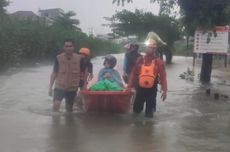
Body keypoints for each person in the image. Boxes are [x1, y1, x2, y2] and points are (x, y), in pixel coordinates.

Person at [127, 37, 167, 118]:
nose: (147, 49)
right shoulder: (140, 59)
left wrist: (164, 90)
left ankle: (148, 128)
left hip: (152, 89)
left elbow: (163, 77)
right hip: (140, 88)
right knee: (136, 111)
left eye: (149, 47)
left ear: (154, 49)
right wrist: (129, 87)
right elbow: (134, 74)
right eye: (147, 47)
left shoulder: (158, 62)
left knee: (149, 114)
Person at [48, 39, 85, 112]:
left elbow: (82, 75)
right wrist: (50, 87)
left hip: (72, 88)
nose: (68, 48)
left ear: (73, 47)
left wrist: (82, 91)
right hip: (60, 86)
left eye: (70, 46)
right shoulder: (58, 58)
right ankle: (55, 122)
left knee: (69, 109)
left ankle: (69, 122)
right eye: (66, 46)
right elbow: (54, 73)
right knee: (56, 105)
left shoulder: (80, 59)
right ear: (64, 47)